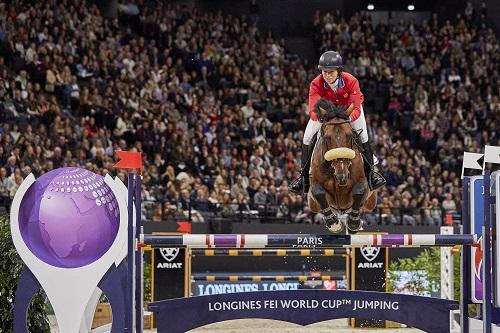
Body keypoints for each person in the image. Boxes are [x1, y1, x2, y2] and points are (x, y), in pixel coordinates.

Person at [289, 50, 386, 194]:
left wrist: (346, 120)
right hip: (326, 115)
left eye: (331, 72)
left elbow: (356, 108)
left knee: (363, 135)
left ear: (339, 71)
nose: (327, 75)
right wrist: (326, 119)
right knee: (307, 137)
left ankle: (372, 174)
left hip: (349, 112)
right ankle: (303, 178)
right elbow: (313, 110)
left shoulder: (351, 80)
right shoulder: (316, 83)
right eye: (324, 72)